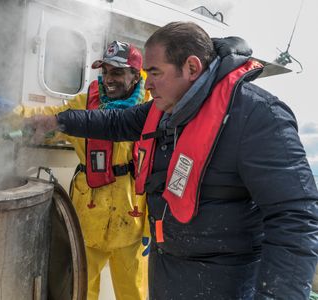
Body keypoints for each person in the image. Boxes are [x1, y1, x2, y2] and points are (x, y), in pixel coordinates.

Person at [26, 22, 318, 299]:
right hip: (168, 270)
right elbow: (114, 122)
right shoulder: (167, 109)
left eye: (154, 72)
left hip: (224, 283)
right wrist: (57, 120)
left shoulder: (259, 115)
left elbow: (296, 218)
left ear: (191, 67)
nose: (147, 84)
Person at [0, 41, 150, 300]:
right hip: (89, 217)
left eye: (118, 73)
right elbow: (44, 117)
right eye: (106, 71)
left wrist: (152, 229)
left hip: (132, 220)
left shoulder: (151, 107)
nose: (109, 79)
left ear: (135, 74)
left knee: (134, 293)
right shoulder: (84, 102)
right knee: (81, 291)